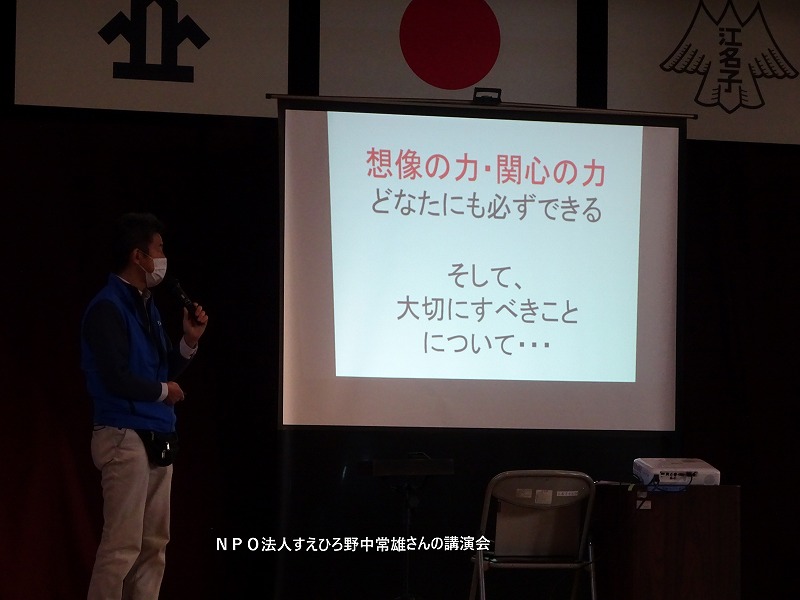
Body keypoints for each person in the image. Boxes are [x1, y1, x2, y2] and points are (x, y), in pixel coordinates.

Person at [80, 212, 208, 599]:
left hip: (158, 430)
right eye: (159, 249)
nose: (162, 258)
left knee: (154, 544)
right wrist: (164, 391)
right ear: (139, 256)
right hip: (124, 433)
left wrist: (188, 341)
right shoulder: (107, 307)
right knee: (122, 545)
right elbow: (115, 377)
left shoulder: (147, 305)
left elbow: (162, 366)